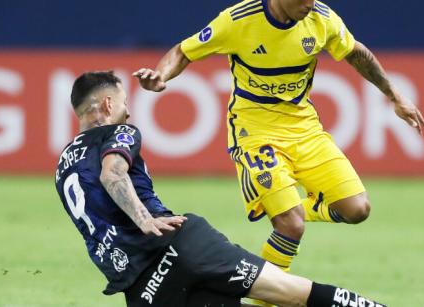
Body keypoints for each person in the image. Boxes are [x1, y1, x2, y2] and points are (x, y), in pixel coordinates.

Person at [134, 0, 424, 280]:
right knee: (290, 226)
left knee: (357, 209)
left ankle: (293, 208)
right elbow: (184, 51)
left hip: (304, 128)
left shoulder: (322, 20)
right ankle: (264, 299)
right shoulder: (238, 21)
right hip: (255, 133)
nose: (311, 3)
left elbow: (356, 54)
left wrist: (394, 96)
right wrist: (161, 75)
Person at [55, 71, 390, 307]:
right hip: (176, 246)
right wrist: (144, 220)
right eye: (124, 101)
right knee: (293, 294)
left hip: (140, 281)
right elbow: (112, 174)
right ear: (108, 105)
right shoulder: (121, 133)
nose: (128, 110)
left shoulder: (62, 166)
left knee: (287, 295)